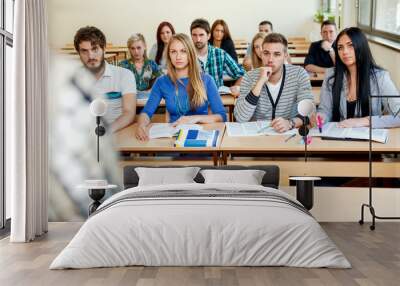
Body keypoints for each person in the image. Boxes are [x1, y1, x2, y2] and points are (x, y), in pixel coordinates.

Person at [135, 33, 227, 141]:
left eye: (183, 51)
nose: (178, 57)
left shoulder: (207, 80)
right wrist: (141, 125)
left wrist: (194, 119)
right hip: (172, 139)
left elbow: (222, 116)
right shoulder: (161, 82)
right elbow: (146, 112)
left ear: (190, 54)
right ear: (169, 55)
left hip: (200, 139)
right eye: (173, 52)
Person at [317, 27, 400, 128]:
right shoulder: (331, 75)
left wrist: (365, 121)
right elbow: (325, 110)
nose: (345, 52)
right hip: (337, 138)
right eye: (340, 47)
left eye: (350, 45)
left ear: (361, 46)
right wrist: (320, 118)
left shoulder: (380, 77)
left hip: (367, 140)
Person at [234, 33, 313, 133]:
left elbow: (309, 111)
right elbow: (240, 117)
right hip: (257, 137)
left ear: (285, 55)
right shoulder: (249, 77)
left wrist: (290, 123)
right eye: (266, 53)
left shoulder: (299, 74)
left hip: (288, 135)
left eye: (277, 54)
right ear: (261, 54)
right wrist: (259, 83)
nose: (270, 59)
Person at [74, 26, 136, 132]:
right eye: (84, 51)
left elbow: (129, 113)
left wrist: (105, 131)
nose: (90, 56)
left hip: (116, 133)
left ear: (104, 50)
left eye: (95, 49)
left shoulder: (125, 75)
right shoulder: (73, 79)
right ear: (79, 53)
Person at [190, 18, 244, 96]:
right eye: (194, 35)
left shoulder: (220, 54)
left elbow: (242, 74)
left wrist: (237, 86)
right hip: (193, 101)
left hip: (215, 101)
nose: (198, 39)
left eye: (201, 35)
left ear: (208, 36)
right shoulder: (186, 55)